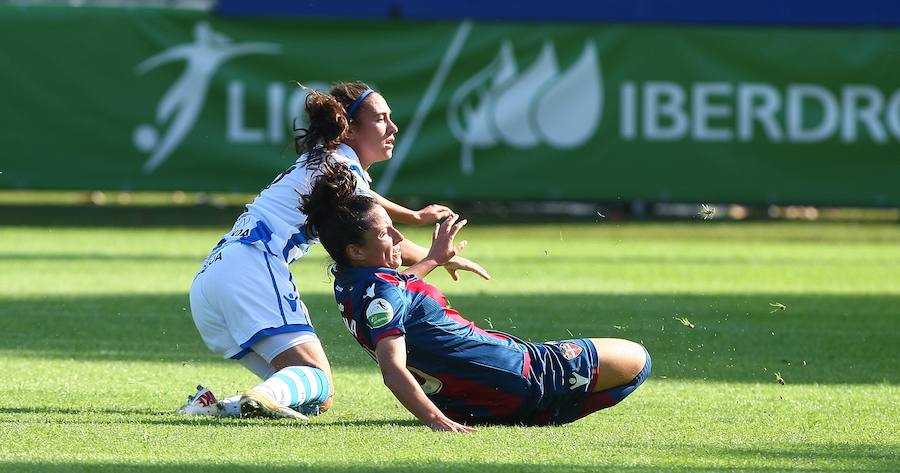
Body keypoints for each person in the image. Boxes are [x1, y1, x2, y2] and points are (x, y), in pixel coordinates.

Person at [179, 82, 490, 420]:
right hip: (253, 267)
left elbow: (376, 216)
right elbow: (382, 230)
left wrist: (426, 236)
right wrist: (427, 237)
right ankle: (250, 399)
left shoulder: (326, 163)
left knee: (313, 396)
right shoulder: (339, 167)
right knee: (316, 378)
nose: (393, 127)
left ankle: (218, 405)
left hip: (213, 275)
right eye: (381, 118)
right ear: (350, 128)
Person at [300, 164, 651, 431]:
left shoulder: (350, 281)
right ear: (356, 251)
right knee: (638, 361)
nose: (396, 236)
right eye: (384, 232)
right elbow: (392, 368)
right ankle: (539, 405)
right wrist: (436, 421)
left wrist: (433, 260)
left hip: (469, 398)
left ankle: (526, 409)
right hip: (518, 370)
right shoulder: (384, 292)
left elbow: (394, 292)